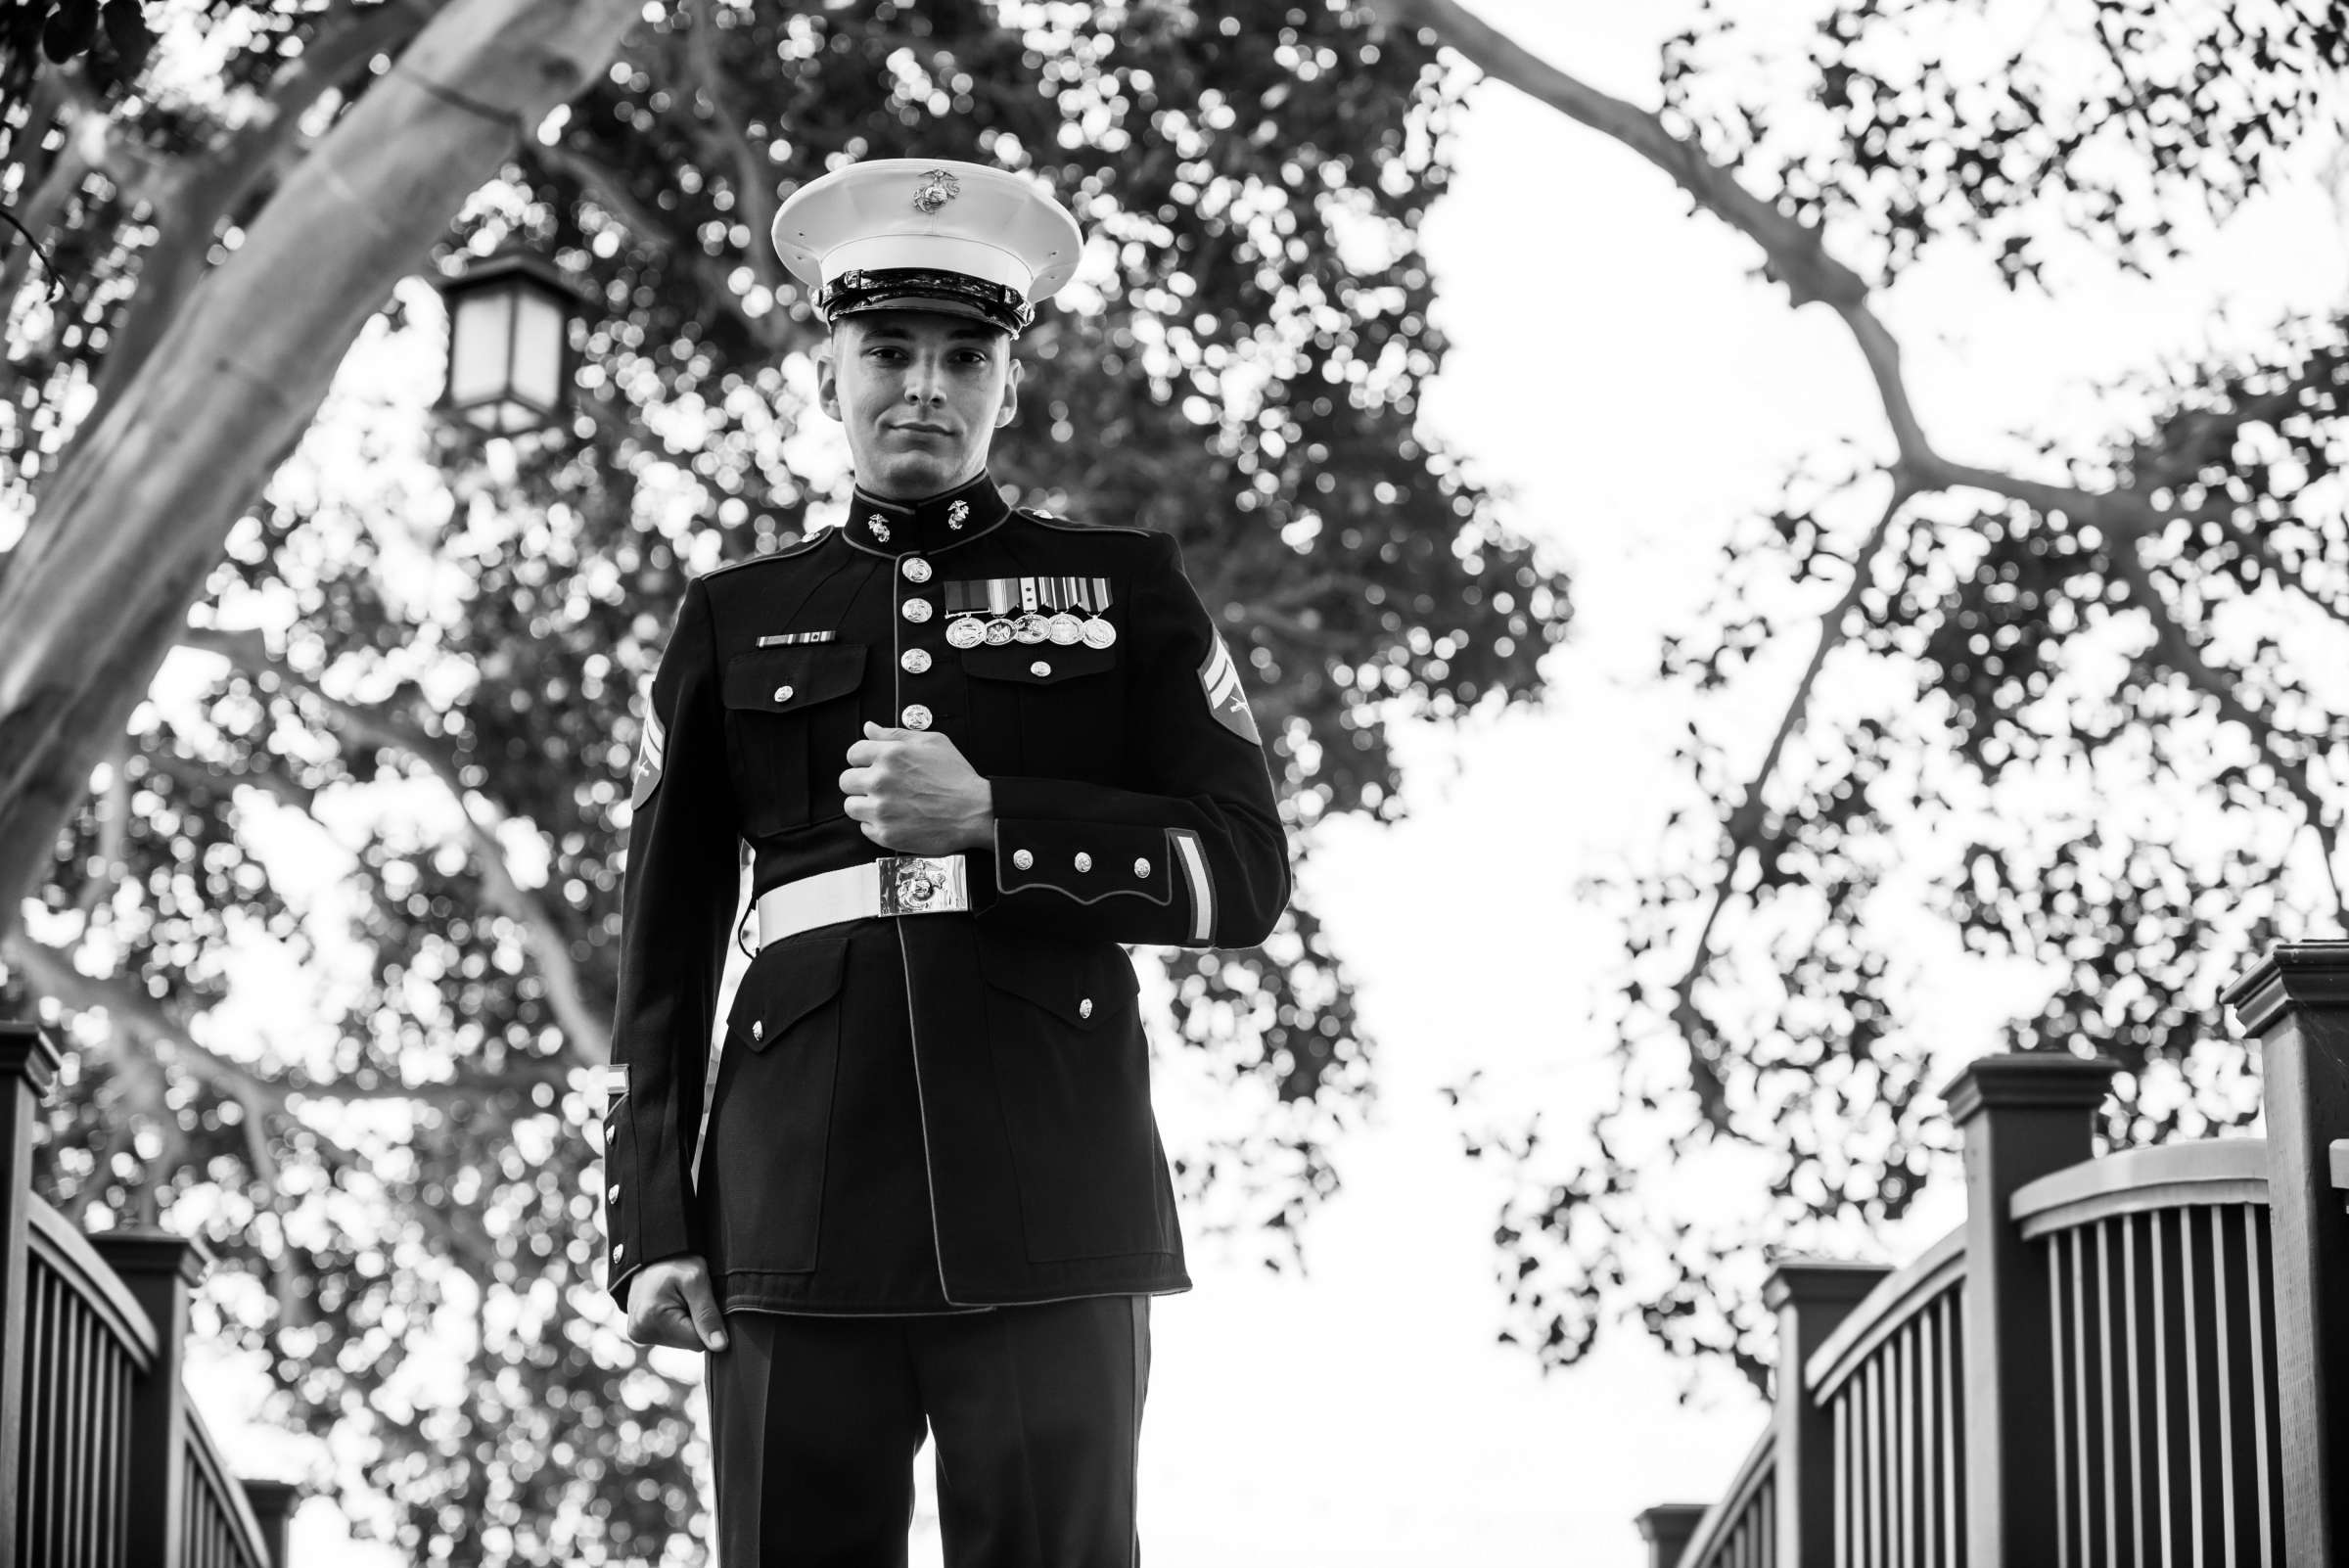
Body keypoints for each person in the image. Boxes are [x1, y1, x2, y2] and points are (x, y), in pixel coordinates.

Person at [600, 157, 1291, 1567]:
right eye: (889, 350)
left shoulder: (1126, 591)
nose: (924, 386)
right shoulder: (734, 616)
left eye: (964, 355)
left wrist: (997, 819)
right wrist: (650, 1222)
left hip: (1051, 1181)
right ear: (828, 372)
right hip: (787, 1199)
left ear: (1010, 386)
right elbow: (661, 947)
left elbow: (1243, 871)